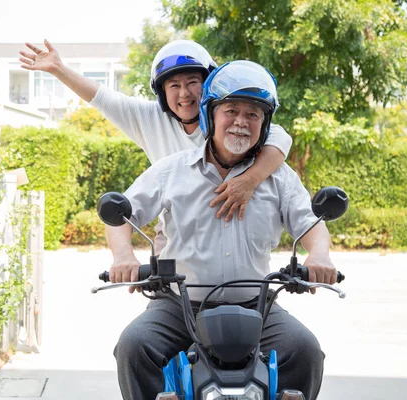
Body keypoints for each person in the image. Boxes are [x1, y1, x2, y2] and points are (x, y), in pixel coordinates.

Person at [104, 60, 337, 400]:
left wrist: (319, 254)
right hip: (179, 306)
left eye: (253, 114)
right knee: (134, 346)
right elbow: (120, 216)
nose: (241, 122)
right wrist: (123, 255)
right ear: (210, 115)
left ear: (265, 122)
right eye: (231, 110)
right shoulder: (172, 170)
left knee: (305, 351)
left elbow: (310, 224)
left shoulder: (279, 177)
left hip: (256, 306)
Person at [19, 40, 293, 228]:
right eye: (173, 85)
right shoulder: (149, 118)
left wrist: (249, 181)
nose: (184, 93)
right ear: (162, 93)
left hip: (237, 225)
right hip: (177, 234)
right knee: (163, 308)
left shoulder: (228, 118)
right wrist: (58, 69)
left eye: (193, 83)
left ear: (209, 86)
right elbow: (101, 97)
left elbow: (280, 138)